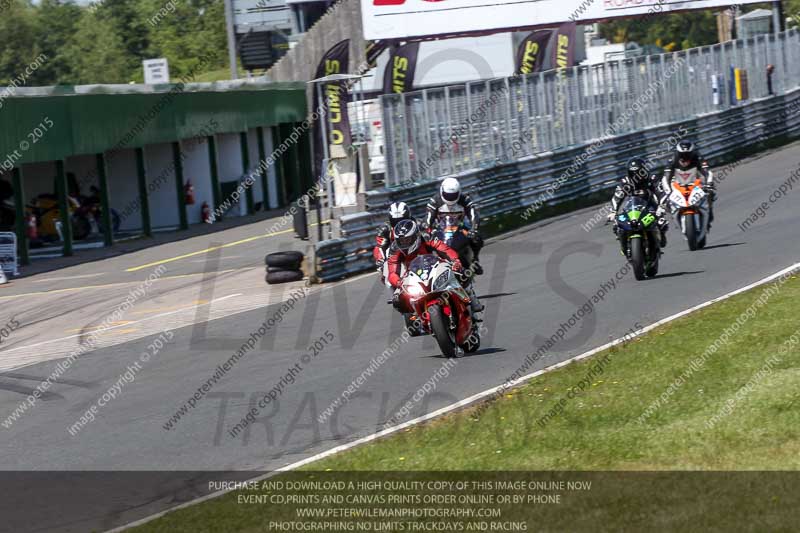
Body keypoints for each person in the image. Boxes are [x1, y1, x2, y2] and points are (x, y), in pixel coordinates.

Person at [387, 219, 483, 315]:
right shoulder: (395, 249)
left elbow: (445, 249)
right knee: (397, 300)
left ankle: (472, 298)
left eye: (407, 240)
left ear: (415, 235)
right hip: (411, 275)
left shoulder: (426, 237)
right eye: (401, 241)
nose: (404, 244)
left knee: (462, 273)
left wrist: (455, 261)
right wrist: (398, 282)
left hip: (434, 267)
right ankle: (413, 319)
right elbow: (392, 272)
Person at [424, 177, 483, 275]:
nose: (450, 198)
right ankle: (428, 266)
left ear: (459, 192)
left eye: (453, 195)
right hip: (440, 230)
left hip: (460, 228)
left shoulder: (465, 200)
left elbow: (474, 215)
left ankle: (475, 260)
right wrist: (427, 229)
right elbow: (428, 218)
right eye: (448, 195)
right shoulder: (435, 201)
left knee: (477, 239)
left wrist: (474, 229)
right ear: (442, 191)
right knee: (425, 242)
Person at [608, 157, 669, 249]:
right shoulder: (625, 182)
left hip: (650, 207)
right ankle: (625, 246)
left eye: (639, 172)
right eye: (633, 173)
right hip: (631, 208)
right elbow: (617, 197)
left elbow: (661, 193)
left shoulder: (652, 179)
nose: (636, 176)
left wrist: (662, 206)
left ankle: (660, 236)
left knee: (661, 223)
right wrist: (613, 211)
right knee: (617, 225)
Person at [661, 140, 716, 229]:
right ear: (678, 153)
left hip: (695, 181)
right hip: (677, 183)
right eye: (682, 155)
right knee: (666, 201)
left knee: (710, 193)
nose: (685, 157)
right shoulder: (672, 160)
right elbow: (666, 177)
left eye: (688, 154)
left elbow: (707, 172)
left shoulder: (698, 158)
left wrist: (709, 184)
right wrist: (668, 191)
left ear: (692, 152)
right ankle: (675, 215)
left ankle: (709, 211)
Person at [374, 201, 413, 286]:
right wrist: (381, 263)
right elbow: (380, 247)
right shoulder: (385, 229)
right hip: (395, 256)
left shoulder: (415, 224)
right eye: (395, 221)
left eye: (402, 220)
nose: (399, 224)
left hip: (414, 253)